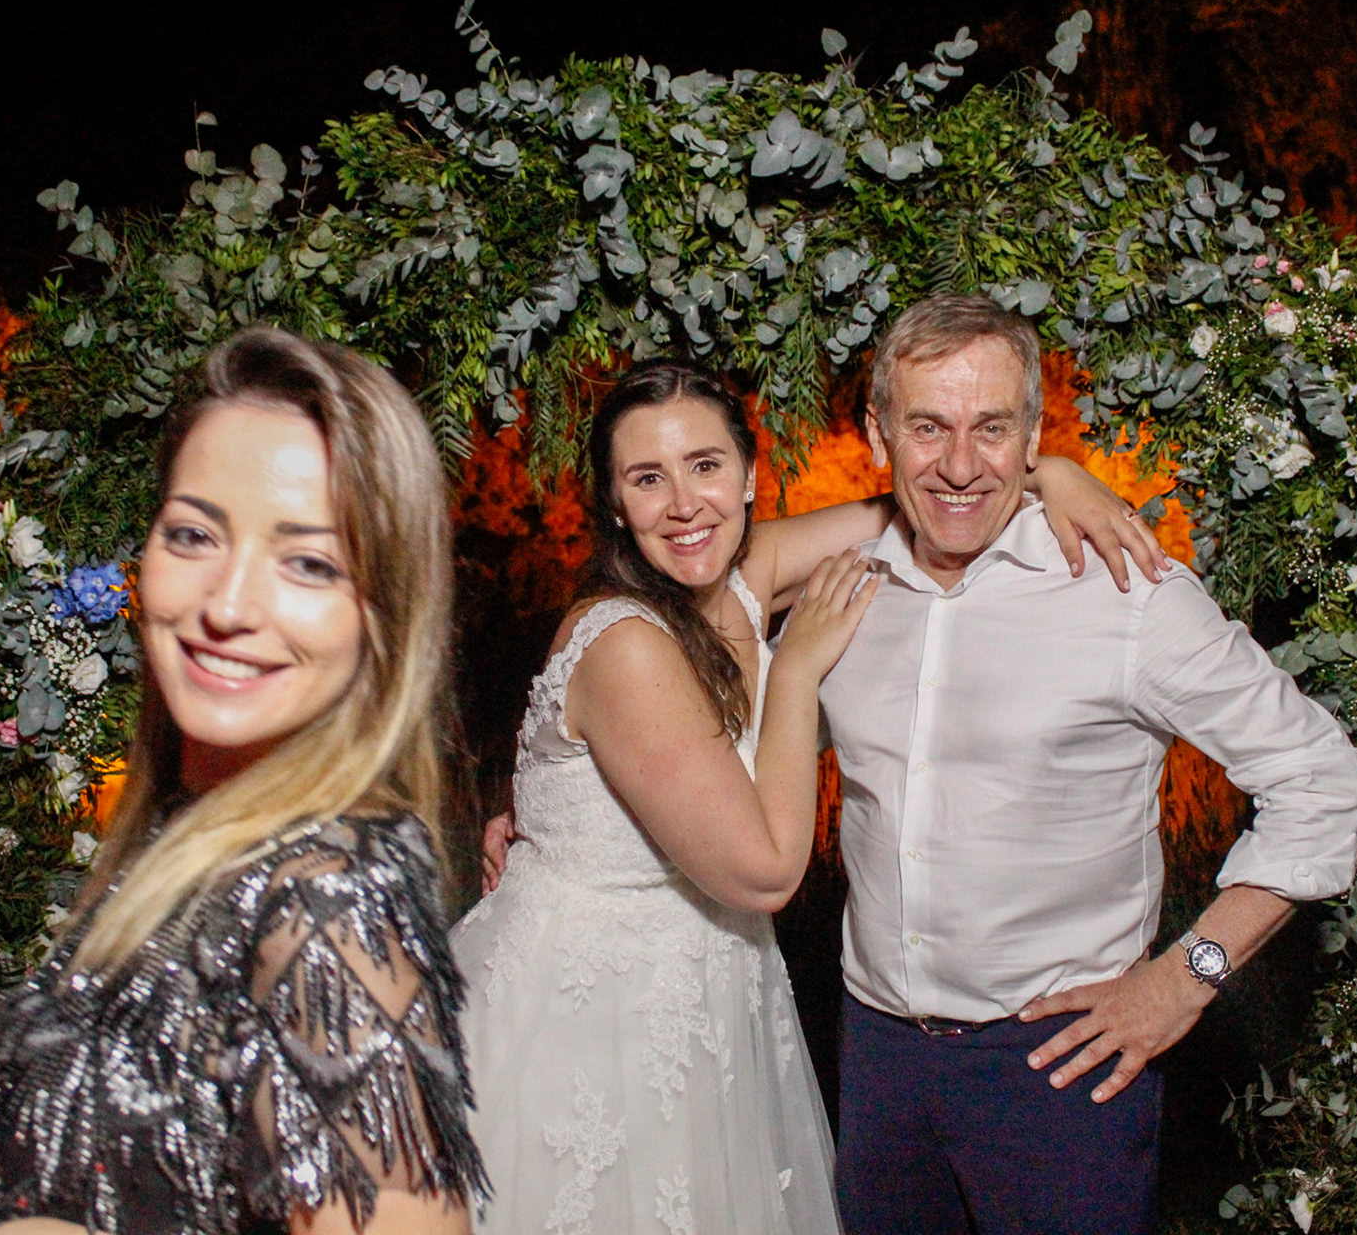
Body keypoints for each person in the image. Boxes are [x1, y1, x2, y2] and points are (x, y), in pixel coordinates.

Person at [0, 327, 487, 1235]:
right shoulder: (219, 814)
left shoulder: (328, 896)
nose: (226, 604)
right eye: (194, 534)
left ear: (387, 614)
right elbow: (187, 1079)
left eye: (309, 563)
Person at [454, 360, 1166, 1234]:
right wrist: (795, 668)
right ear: (613, 505)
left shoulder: (744, 572)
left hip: (708, 992)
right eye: (647, 479)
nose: (684, 504)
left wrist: (1051, 473)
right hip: (598, 1012)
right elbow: (764, 872)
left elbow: (919, 504)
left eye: (705, 466)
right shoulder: (628, 643)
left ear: (750, 475)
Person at [819, 294, 1357, 1234]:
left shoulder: (1126, 594)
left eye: (992, 427)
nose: (961, 464)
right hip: (878, 1060)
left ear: (1034, 434)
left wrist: (1184, 978)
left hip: (1058, 1069)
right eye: (929, 427)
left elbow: (1322, 780)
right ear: (879, 434)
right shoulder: (847, 588)